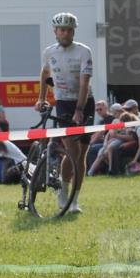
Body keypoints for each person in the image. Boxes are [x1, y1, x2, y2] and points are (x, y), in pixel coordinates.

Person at [36, 12, 93, 213]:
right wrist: (41, 98)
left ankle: (74, 200)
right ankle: (63, 192)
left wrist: (80, 109)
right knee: (72, 151)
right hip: (63, 103)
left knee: (82, 155)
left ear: (73, 31)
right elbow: (44, 74)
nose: (66, 33)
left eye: (69, 30)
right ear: (55, 31)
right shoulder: (49, 52)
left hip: (84, 103)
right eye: (62, 30)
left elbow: (84, 82)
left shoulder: (83, 51)